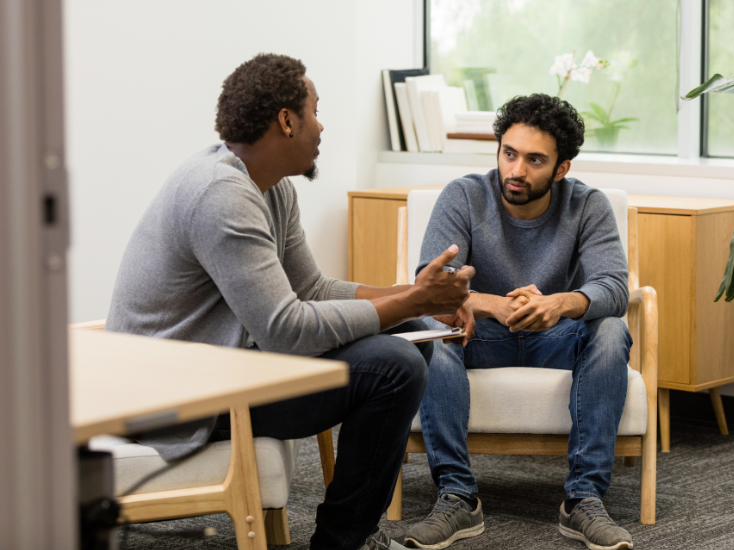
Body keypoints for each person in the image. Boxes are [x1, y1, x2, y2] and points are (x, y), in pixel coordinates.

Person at [106, 53, 476, 550]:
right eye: (316, 111)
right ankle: (342, 541)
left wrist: (418, 297)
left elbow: (313, 291)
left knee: (409, 338)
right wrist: (413, 301)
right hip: (174, 400)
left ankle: (355, 532)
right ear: (287, 120)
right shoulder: (220, 193)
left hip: (222, 369)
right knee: (396, 365)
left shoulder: (270, 188)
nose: (322, 127)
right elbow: (287, 328)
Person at [403, 94, 633, 550]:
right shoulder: (464, 195)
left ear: (561, 168)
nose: (516, 170)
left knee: (610, 329)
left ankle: (583, 500)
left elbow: (615, 288)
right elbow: (431, 283)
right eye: (509, 153)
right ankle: (457, 496)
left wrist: (559, 303)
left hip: (555, 338)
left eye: (534, 160)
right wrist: (491, 304)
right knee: (432, 326)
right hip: (479, 336)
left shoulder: (589, 205)